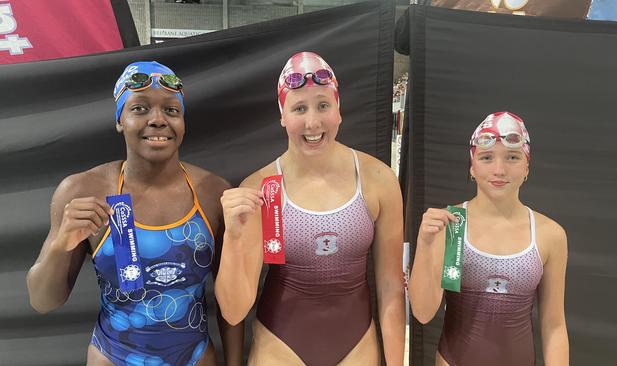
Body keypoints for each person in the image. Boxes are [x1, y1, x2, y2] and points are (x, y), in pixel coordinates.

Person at [26, 61, 243, 366]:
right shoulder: (82, 190)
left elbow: (229, 303)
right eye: (140, 108)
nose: (157, 120)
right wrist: (61, 246)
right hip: (112, 356)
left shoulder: (212, 193)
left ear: (182, 122)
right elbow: (42, 301)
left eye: (171, 110)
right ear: (119, 120)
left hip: (194, 358)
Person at [216, 51, 405, 365]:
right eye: (299, 108)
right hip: (280, 347)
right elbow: (234, 310)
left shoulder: (378, 179)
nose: (313, 122)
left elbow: (390, 289)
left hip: (357, 347)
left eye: (323, 105)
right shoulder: (259, 188)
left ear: (339, 110)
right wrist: (235, 238)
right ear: (282, 115)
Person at [408, 111, 569, 365]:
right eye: (486, 157)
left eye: (512, 157)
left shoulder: (550, 235)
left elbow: (554, 325)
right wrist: (425, 245)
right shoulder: (452, 226)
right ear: (472, 166)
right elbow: (423, 313)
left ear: (527, 165)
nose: (499, 170)